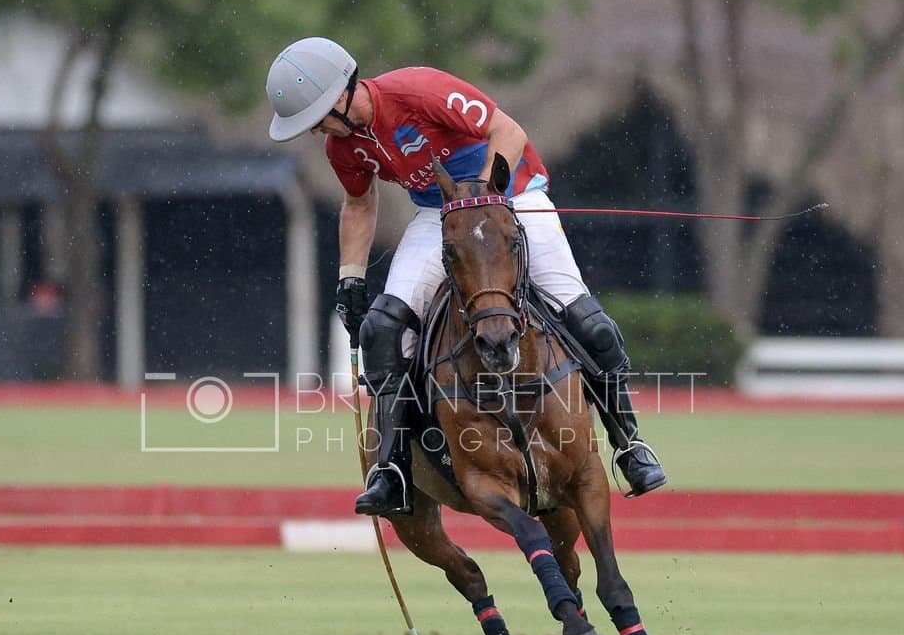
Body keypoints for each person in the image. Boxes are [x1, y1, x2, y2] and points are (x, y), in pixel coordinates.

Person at [266, 36, 666, 516]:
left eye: (317, 120)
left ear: (340, 95)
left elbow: (509, 133)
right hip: (440, 215)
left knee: (589, 322)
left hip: (511, 196)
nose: (315, 133)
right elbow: (359, 202)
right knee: (382, 329)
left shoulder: (419, 90)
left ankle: (629, 442)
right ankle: (391, 468)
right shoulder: (343, 146)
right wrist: (350, 277)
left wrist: (483, 196)